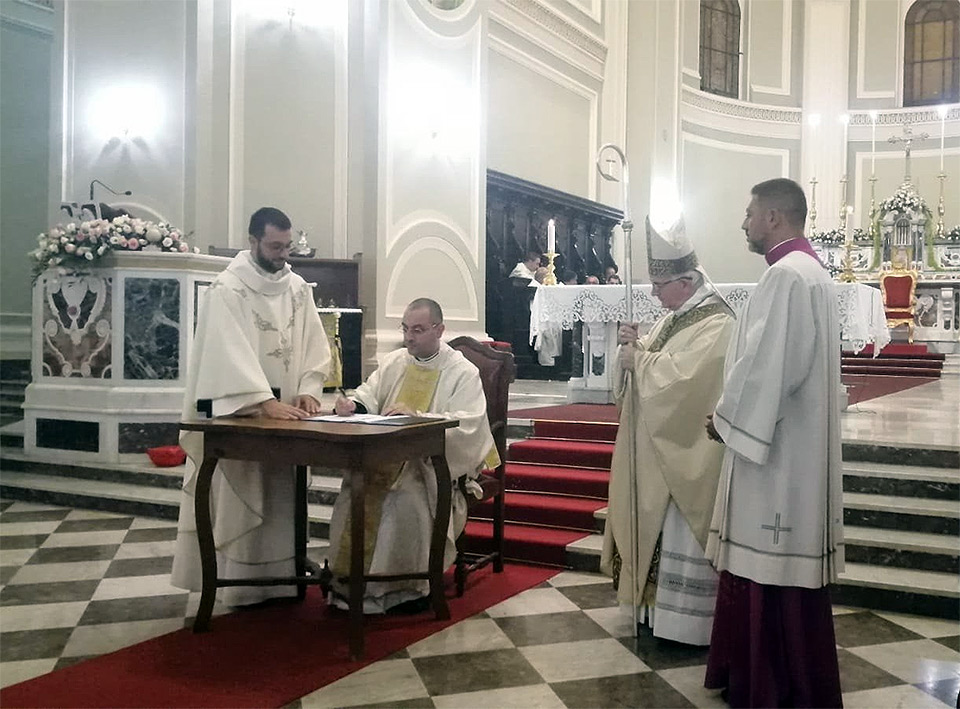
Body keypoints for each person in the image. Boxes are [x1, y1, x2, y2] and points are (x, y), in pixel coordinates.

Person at [704, 178, 844, 707]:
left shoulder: (787, 276)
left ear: (773, 218)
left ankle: (768, 682)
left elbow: (769, 369)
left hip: (778, 455)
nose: (743, 222)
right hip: (793, 444)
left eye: (749, 213)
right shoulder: (812, 273)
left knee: (770, 565)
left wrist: (724, 418)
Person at [170, 207, 331, 606]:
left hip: (289, 417)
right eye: (275, 246)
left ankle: (281, 581)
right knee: (241, 496)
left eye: (287, 246)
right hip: (241, 419)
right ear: (253, 241)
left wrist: (309, 387)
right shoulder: (228, 289)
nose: (283, 254)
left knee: (281, 500)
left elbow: (314, 343)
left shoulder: (296, 287)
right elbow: (225, 355)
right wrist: (262, 402)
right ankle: (238, 586)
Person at [600, 216, 735, 646]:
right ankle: (650, 614)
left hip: (683, 460)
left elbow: (686, 385)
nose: (654, 295)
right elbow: (638, 381)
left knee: (676, 535)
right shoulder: (674, 318)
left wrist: (638, 359)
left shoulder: (719, 322)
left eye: (660, 287)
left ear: (687, 279)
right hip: (652, 456)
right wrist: (629, 350)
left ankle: (684, 625)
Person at [327, 298, 496, 614]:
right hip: (384, 457)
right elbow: (368, 395)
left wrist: (418, 417)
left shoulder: (461, 371)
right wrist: (354, 406)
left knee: (402, 499)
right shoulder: (396, 362)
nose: (409, 337)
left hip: (430, 468)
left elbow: (469, 426)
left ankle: (406, 587)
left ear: (439, 329)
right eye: (405, 329)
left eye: (418, 330)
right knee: (354, 489)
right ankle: (348, 584)